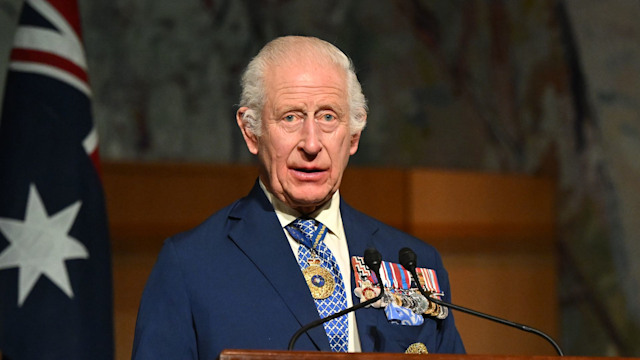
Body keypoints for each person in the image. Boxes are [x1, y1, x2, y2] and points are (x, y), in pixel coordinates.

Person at [132, 36, 465, 359]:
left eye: (328, 117)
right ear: (251, 132)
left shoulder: (415, 262)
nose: (311, 143)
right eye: (290, 117)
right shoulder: (190, 265)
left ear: (353, 136)